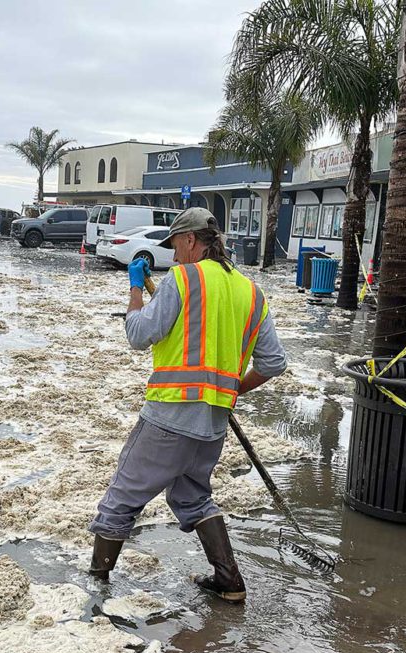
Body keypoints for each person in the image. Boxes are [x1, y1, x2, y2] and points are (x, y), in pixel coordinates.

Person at [87, 208, 287, 603]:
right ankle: (229, 582)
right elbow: (273, 362)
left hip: (169, 415)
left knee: (121, 498)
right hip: (212, 422)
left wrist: (134, 291)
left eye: (176, 246)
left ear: (191, 241)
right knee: (192, 497)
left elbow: (139, 334)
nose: (174, 256)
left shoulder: (183, 279)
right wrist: (230, 391)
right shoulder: (251, 292)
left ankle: (93, 591)